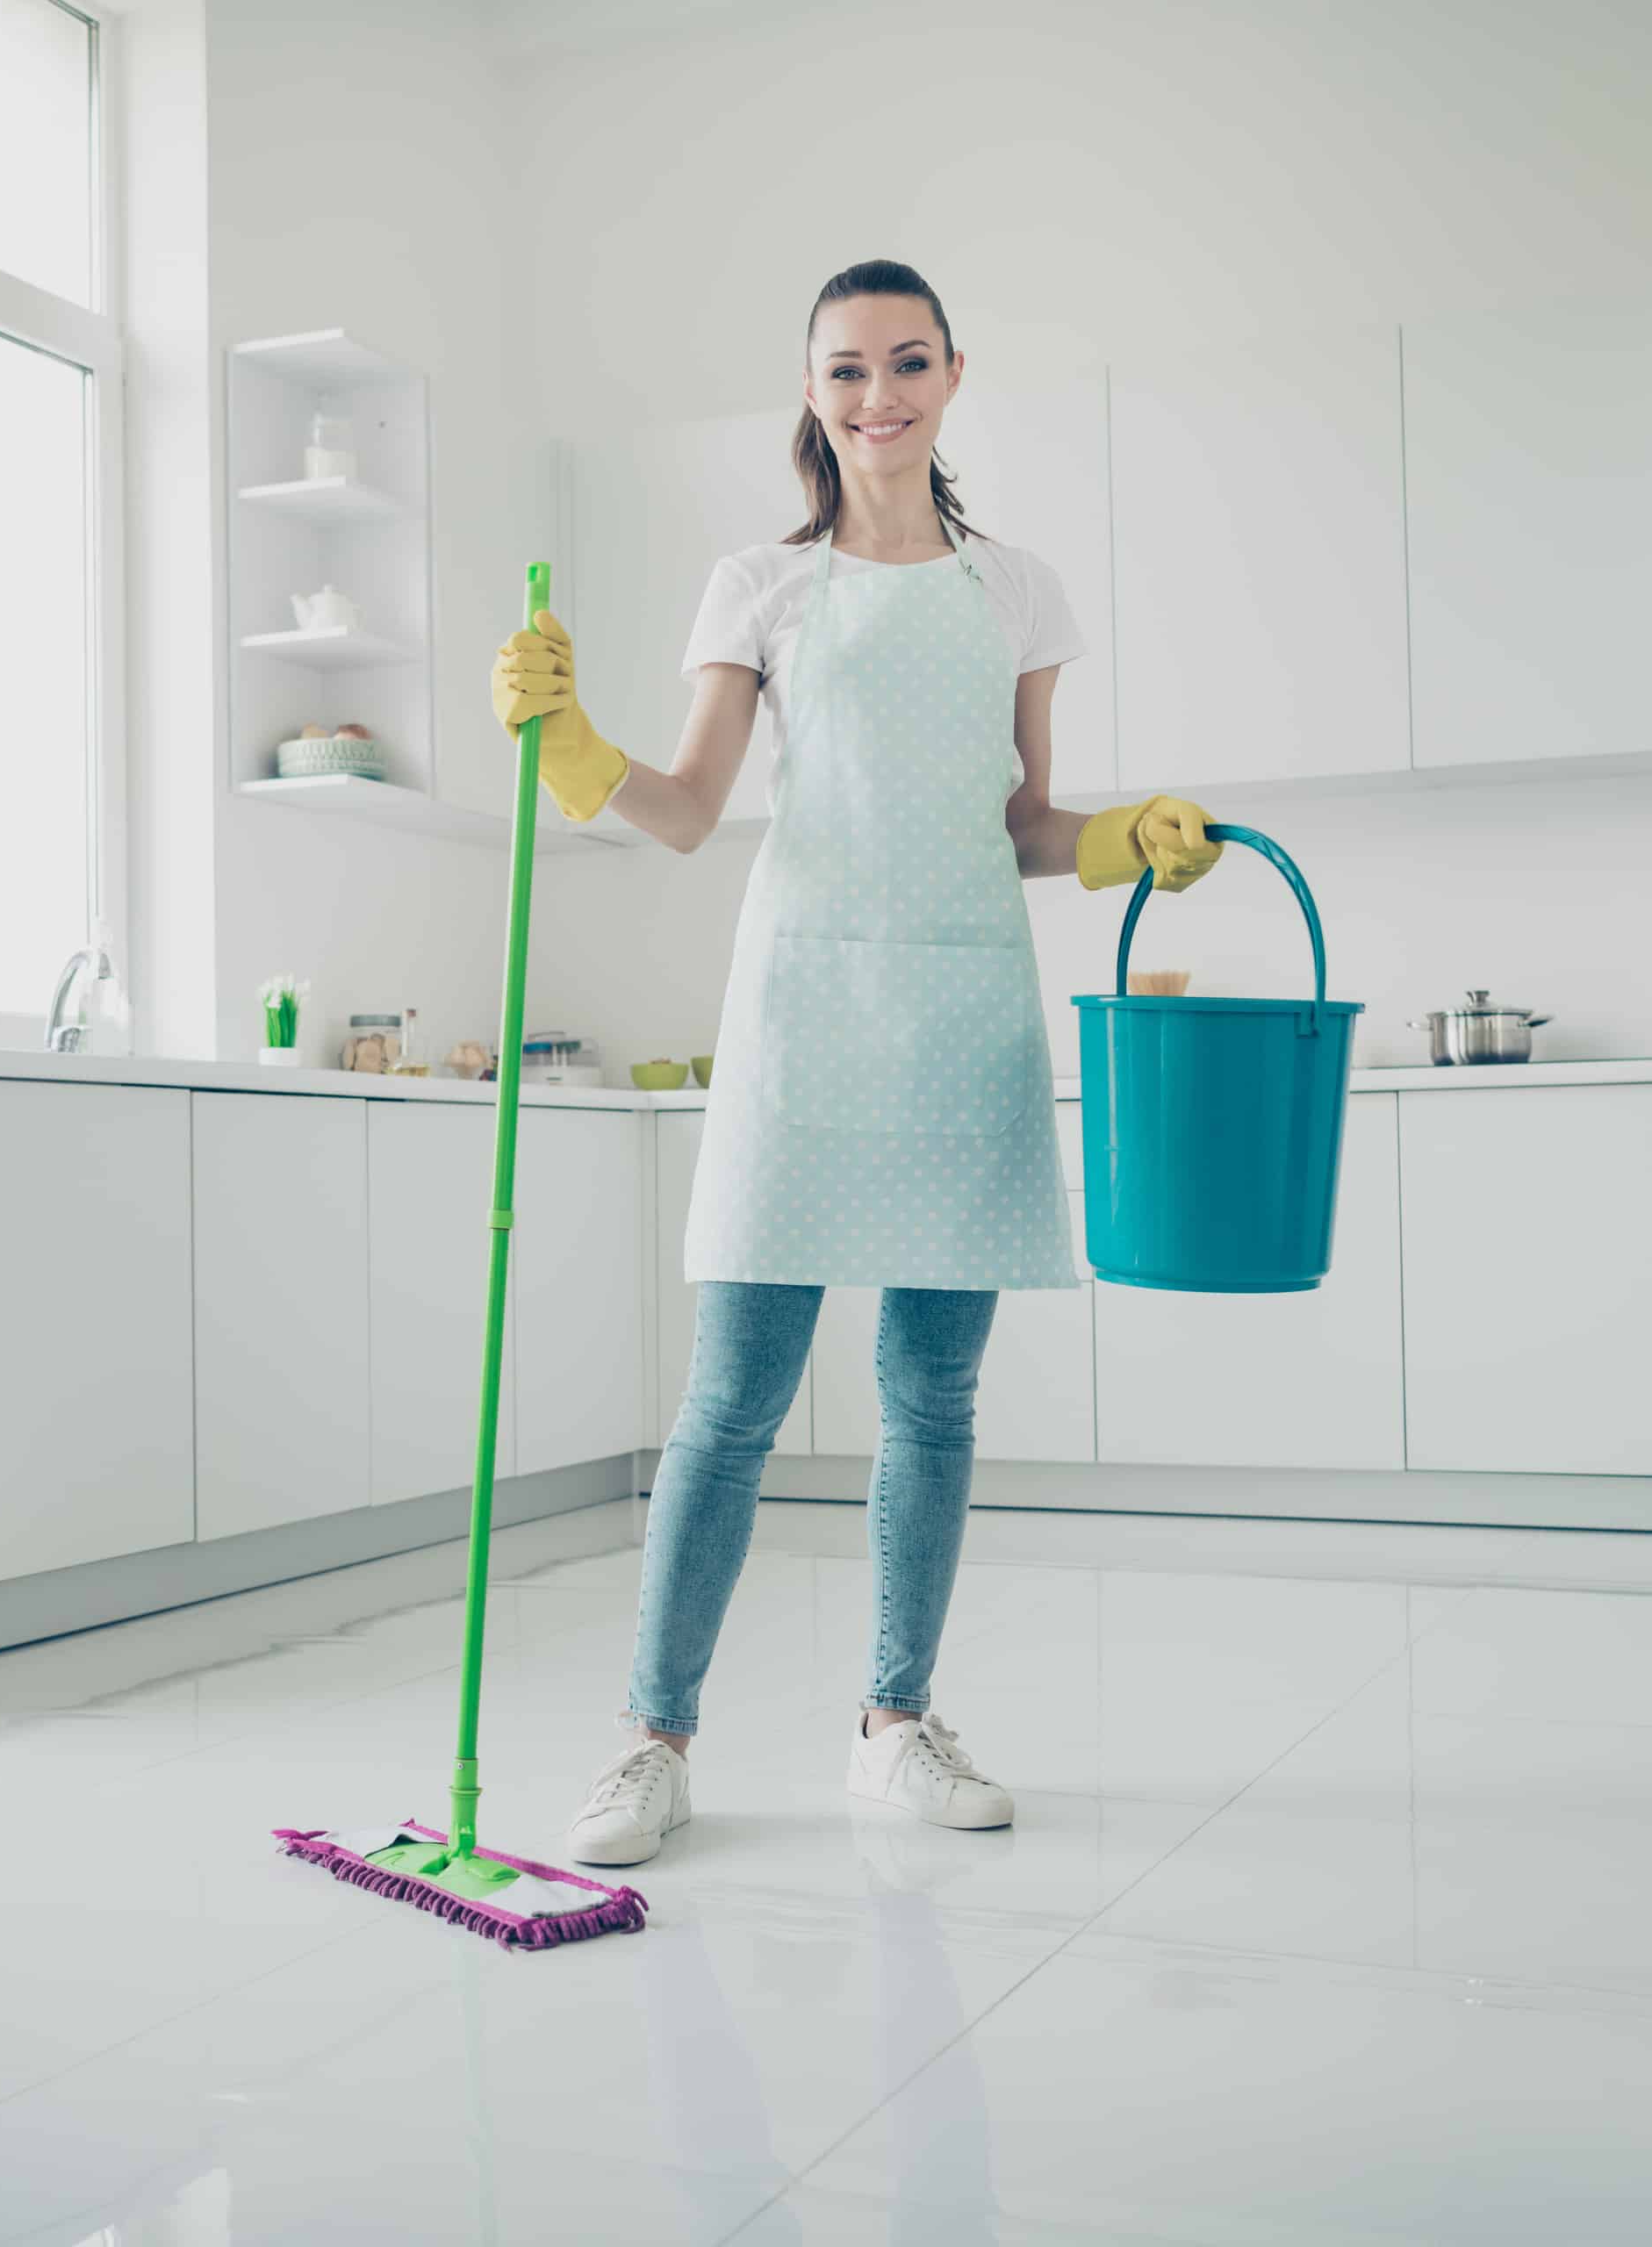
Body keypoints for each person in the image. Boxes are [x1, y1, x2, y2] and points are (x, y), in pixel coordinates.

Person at [492, 258, 1219, 1868]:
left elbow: (1024, 823)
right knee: (733, 1403)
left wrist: (1122, 842)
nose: (876, 397)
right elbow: (686, 808)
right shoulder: (759, 584)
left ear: (956, 373)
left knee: (932, 1398)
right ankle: (651, 1742)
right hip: (805, 1017)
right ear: (809, 393)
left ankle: (896, 1724)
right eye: (844, 372)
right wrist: (576, 750)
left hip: (963, 1009)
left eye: (906, 364)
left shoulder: (1016, 590)